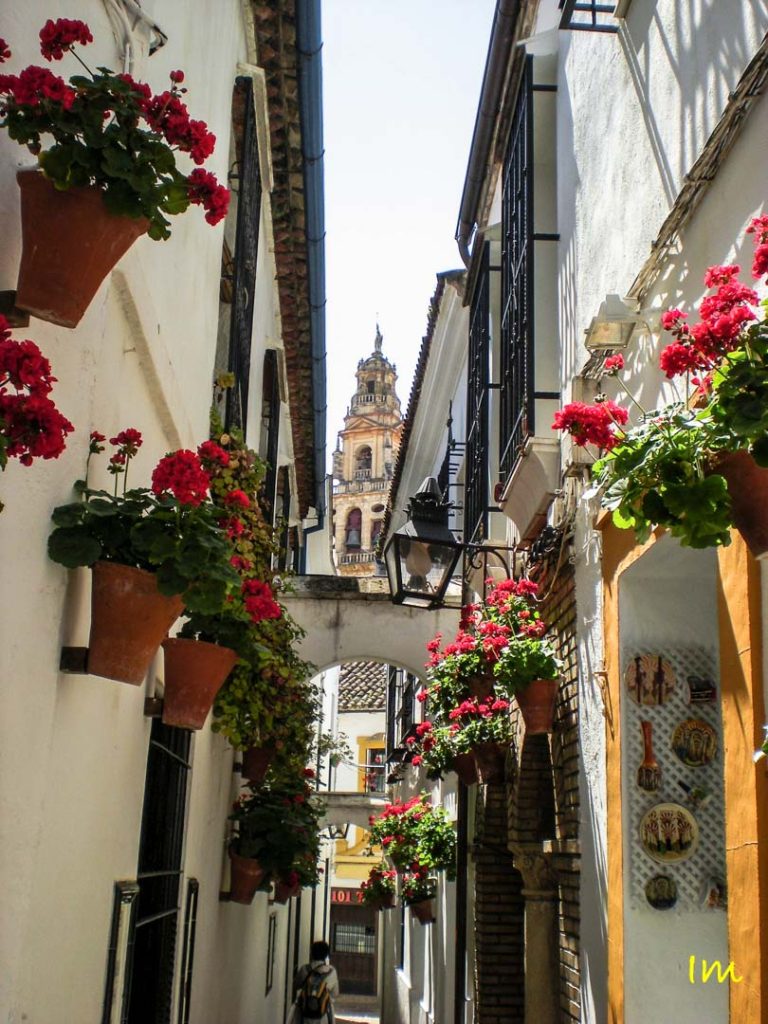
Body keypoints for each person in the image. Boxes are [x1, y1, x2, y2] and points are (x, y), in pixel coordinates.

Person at [287, 940, 339, 1024]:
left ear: (312, 954)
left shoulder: (304, 969)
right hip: (323, 1015)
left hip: (304, 1014)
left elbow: (295, 985)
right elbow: (335, 993)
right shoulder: (332, 972)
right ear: (326, 955)